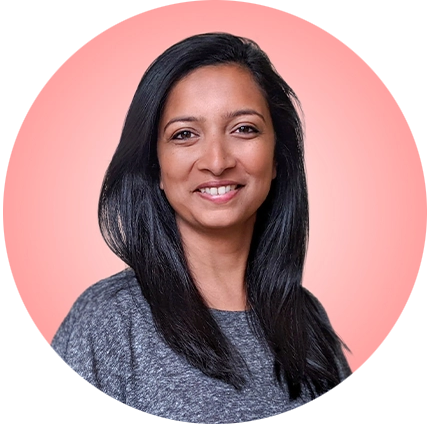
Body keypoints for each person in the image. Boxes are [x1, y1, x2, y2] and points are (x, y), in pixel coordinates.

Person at [33, 32, 359, 424]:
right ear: (156, 166)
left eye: (244, 129)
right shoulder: (110, 321)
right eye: (185, 135)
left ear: (277, 158)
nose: (217, 161)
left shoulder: (307, 319)